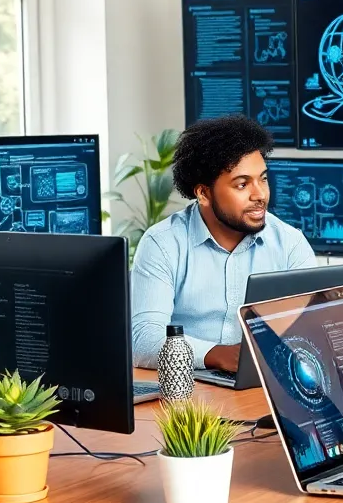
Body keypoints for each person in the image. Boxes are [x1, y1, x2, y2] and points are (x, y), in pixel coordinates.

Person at [130, 116, 316, 372]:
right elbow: (143, 340)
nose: (260, 194)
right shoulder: (162, 244)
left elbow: (314, 328)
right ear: (204, 193)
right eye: (242, 184)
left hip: (262, 386)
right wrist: (215, 354)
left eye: (262, 179)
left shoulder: (290, 243)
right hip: (189, 391)